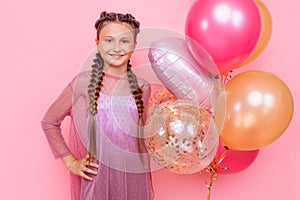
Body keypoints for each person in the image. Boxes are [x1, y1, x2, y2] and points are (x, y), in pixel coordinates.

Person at [41, 11, 154, 200]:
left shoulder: (142, 87)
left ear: (134, 45)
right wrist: (71, 163)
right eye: (109, 40)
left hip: (135, 179)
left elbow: (140, 141)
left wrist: (148, 184)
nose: (117, 47)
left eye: (124, 41)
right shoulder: (83, 83)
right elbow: (49, 122)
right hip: (98, 178)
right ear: (98, 44)